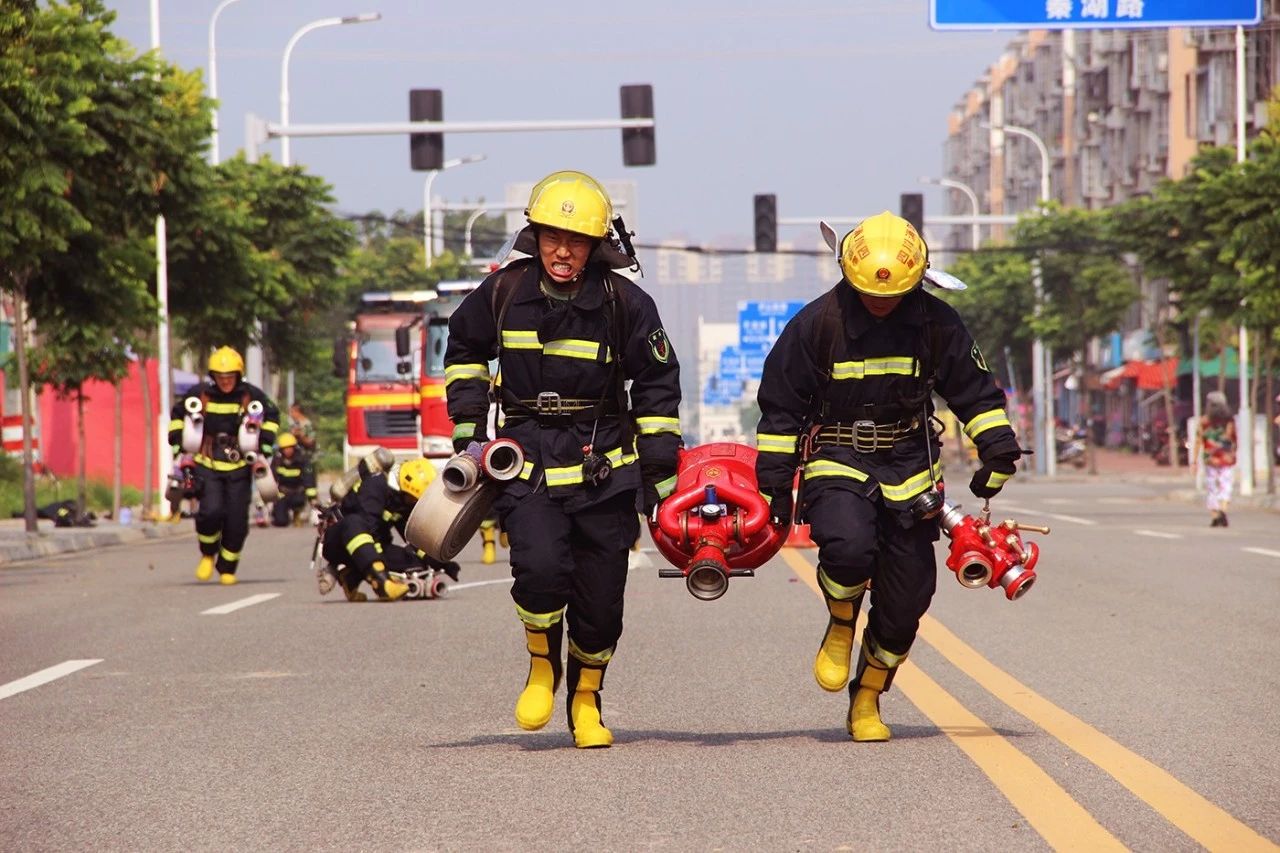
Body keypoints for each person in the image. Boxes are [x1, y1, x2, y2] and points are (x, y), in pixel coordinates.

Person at [755, 212, 1022, 742]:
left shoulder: (937, 323)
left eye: (894, 295)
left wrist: (997, 450)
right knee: (847, 548)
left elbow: (975, 390)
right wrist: (774, 489)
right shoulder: (816, 324)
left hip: (910, 465)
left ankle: (868, 697)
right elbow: (781, 410)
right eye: (869, 293)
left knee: (908, 600)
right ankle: (839, 620)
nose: (881, 303)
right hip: (837, 456)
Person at [443, 170, 682, 748]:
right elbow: (465, 349)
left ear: (597, 246)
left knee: (601, 603)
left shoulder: (627, 304)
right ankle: (542, 669)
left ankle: (586, 699)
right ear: (536, 236)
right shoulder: (502, 293)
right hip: (525, 462)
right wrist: (469, 432)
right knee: (542, 572)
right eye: (553, 237)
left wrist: (660, 472)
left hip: (605, 465)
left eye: (577, 241)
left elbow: (656, 386)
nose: (564, 251)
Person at [168, 346, 280, 585]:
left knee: (237, 520)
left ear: (238, 376)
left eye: (229, 377)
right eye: (221, 377)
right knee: (210, 511)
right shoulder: (200, 395)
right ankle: (208, 554)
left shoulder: (251, 396)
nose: (225, 382)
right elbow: (177, 415)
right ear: (213, 377)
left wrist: (266, 444)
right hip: (207, 462)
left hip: (239, 465)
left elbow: (272, 416)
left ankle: (227, 567)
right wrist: (178, 444)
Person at [319, 457, 455, 601]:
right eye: (414, 499)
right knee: (355, 523)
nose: (415, 503)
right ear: (407, 487)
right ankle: (382, 583)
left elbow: (412, 536)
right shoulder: (375, 485)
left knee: (414, 563)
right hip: (338, 541)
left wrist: (441, 561)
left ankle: (350, 577)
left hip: (370, 545)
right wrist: (383, 569)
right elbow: (368, 526)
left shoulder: (403, 500)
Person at [1193, 390, 1237, 528]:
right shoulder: (1229, 421)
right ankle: (1223, 509)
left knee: (1212, 487)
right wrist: (1233, 453)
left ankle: (1215, 515)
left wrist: (1194, 460)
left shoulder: (1204, 421)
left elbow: (1198, 441)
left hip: (1210, 458)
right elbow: (1234, 440)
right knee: (1226, 484)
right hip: (1226, 458)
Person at [269, 432, 317, 527]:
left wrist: (313, 500)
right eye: (285, 448)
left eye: (290, 447)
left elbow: (309, 480)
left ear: (294, 447)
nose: (288, 450)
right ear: (281, 449)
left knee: (298, 501)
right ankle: (279, 514)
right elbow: (271, 479)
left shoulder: (303, 460)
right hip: (282, 493)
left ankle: (297, 513)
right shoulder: (277, 461)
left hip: (298, 493)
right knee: (281, 522)